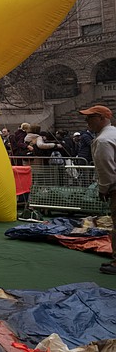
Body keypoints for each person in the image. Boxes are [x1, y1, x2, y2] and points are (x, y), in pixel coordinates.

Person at [79, 105, 116, 275]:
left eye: (90, 117)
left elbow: (106, 170)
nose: (87, 121)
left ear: (102, 118)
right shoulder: (112, 134)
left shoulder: (102, 140)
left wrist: (104, 189)